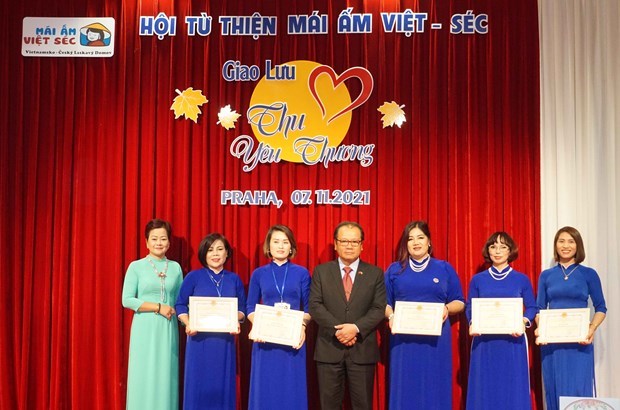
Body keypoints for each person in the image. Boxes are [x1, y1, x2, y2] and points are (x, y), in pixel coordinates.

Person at [384, 220, 464, 410]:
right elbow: (384, 303)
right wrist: (391, 316)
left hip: (436, 340)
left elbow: (460, 302)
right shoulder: (394, 270)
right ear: (406, 243)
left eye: (420, 237)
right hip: (403, 341)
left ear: (429, 241)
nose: (415, 242)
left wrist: (446, 309)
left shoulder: (444, 268)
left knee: (435, 384)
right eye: (410, 239)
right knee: (405, 384)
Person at [309, 221, 386, 410]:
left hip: (362, 349)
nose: (349, 245)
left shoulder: (375, 273)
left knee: (363, 405)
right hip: (329, 348)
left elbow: (378, 308)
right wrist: (339, 330)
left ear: (362, 245)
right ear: (335, 244)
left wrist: (355, 329)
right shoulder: (321, 271)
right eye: (344, 241)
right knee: (328, 405)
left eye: (354, 241)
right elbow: (315, 305)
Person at [536, 226, 607, 410]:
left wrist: (591, 329)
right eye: (561, 241)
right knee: (554, 388)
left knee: (578, 390)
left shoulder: (589, 274)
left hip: (580, 342)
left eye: (571, 241)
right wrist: (540, 330)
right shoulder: (546, 276)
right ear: (555, 245)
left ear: (578, 246)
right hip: (552, 343)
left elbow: (601, 307)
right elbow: (539, 308)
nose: (565, 245)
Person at [465, 232, 537, 410]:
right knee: (484, 387)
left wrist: (523, 322)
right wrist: (472, 322)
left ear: (510, 251)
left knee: (512, 388)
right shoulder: (477, 280)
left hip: (512, 342)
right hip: (484, 342)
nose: (497, 251)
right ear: (487, 250)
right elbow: (469, 307)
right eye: (493, 246)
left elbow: (532, 308)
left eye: (503, 247)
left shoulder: (521, 279)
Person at [175, 233, 246, 410]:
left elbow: (242, 310)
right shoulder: (193, 277)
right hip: (199, 341)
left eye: (220, 249)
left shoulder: (234, 279)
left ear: (227, 253)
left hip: (224, 342)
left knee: (223, 385)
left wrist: (234, 319)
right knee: (198, 384)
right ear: (203, 253)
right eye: (210, 249)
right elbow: (180, 304)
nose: (215, 254)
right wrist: (188, 322)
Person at [246, 225, 311, 410]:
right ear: (269, 245)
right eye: (276, 241)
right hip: (265, 339)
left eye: (285, 242)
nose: (280, 246)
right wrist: (257, 324)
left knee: (291, 387)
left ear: (291, 246)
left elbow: (309, 307)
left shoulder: (302, 273)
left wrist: (302, 327)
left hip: (293, 339)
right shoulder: (259, 273)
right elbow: (250, 306)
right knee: (266, 387)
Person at [122, 219, 183, 410]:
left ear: (169, 242)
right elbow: (127, 300)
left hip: (168, 328)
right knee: (143, 373)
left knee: (166, 374)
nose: (159, 243)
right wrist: (158, 307)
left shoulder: (176, 267)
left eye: (163, 239)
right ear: (146, 242)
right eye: (154, 238)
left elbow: (180, 301)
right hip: (144, 328)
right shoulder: (136, 266)